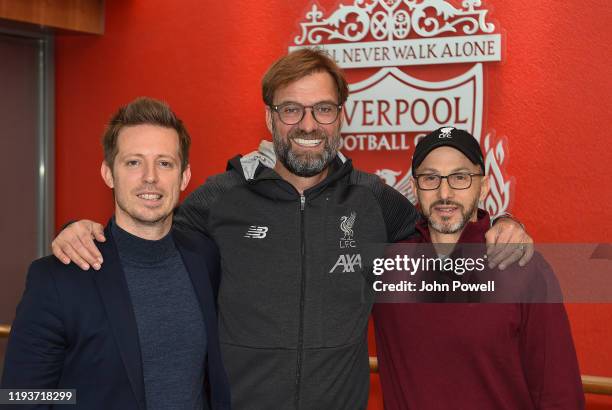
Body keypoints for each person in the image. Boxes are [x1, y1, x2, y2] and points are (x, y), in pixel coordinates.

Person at [50, 50, 533, 409]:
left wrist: (500, 223)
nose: (308, 124)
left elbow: (441, 226)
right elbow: (145, 225)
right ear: (270, 117)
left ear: (340, 117)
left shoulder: (373, 199)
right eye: (291, 110)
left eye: (323, 109)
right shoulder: (221, 197)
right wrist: (81, 228)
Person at [2, 98, 231, 410]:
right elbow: (20, 397)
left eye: (165, 163)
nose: (150, 177)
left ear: (184, 177)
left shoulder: (205, 258)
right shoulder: (58, 277)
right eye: (133, 162)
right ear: (109, 173)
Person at [372, 126, 584, 409]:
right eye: (431, 178)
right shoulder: (386, 264)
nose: (444, 193)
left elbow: (559, 391)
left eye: (460, 177)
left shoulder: (521, 266)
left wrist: (507, 221)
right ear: (414, 186)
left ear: (484, 186)